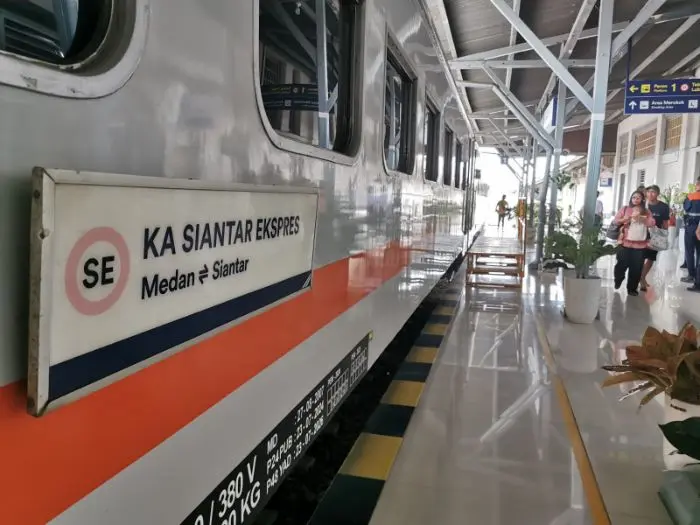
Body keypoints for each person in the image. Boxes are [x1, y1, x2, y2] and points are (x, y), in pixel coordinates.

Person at [613, 190, 656, 296]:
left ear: (642, 200)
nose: (635, 199)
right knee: (620, 265)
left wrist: (643, 219)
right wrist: (624, 219)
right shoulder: (625, 209)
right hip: (624, 244)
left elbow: (652, 223)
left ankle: (632, 289)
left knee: (636, 268)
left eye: (638, 198)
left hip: (640, 245)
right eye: (633, 197)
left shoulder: (646, 211)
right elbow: (616, 221)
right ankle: (618, 279)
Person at [640, 185, 670, 292]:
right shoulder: (642, 205)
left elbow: (665, 222)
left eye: (653, 192)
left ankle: (642, 277)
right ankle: (640, 279)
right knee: (640, 257)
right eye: (648, 192)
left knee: (651, 258)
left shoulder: (664, 207)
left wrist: (665, 235)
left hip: (655, 236)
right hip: (641, 234)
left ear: (658, 194)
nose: (650, 194)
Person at [683, 177, 700, 292]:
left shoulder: (691, 196)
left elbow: (686, 208)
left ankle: (691, 275)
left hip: (692, 226)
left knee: (689, 251)